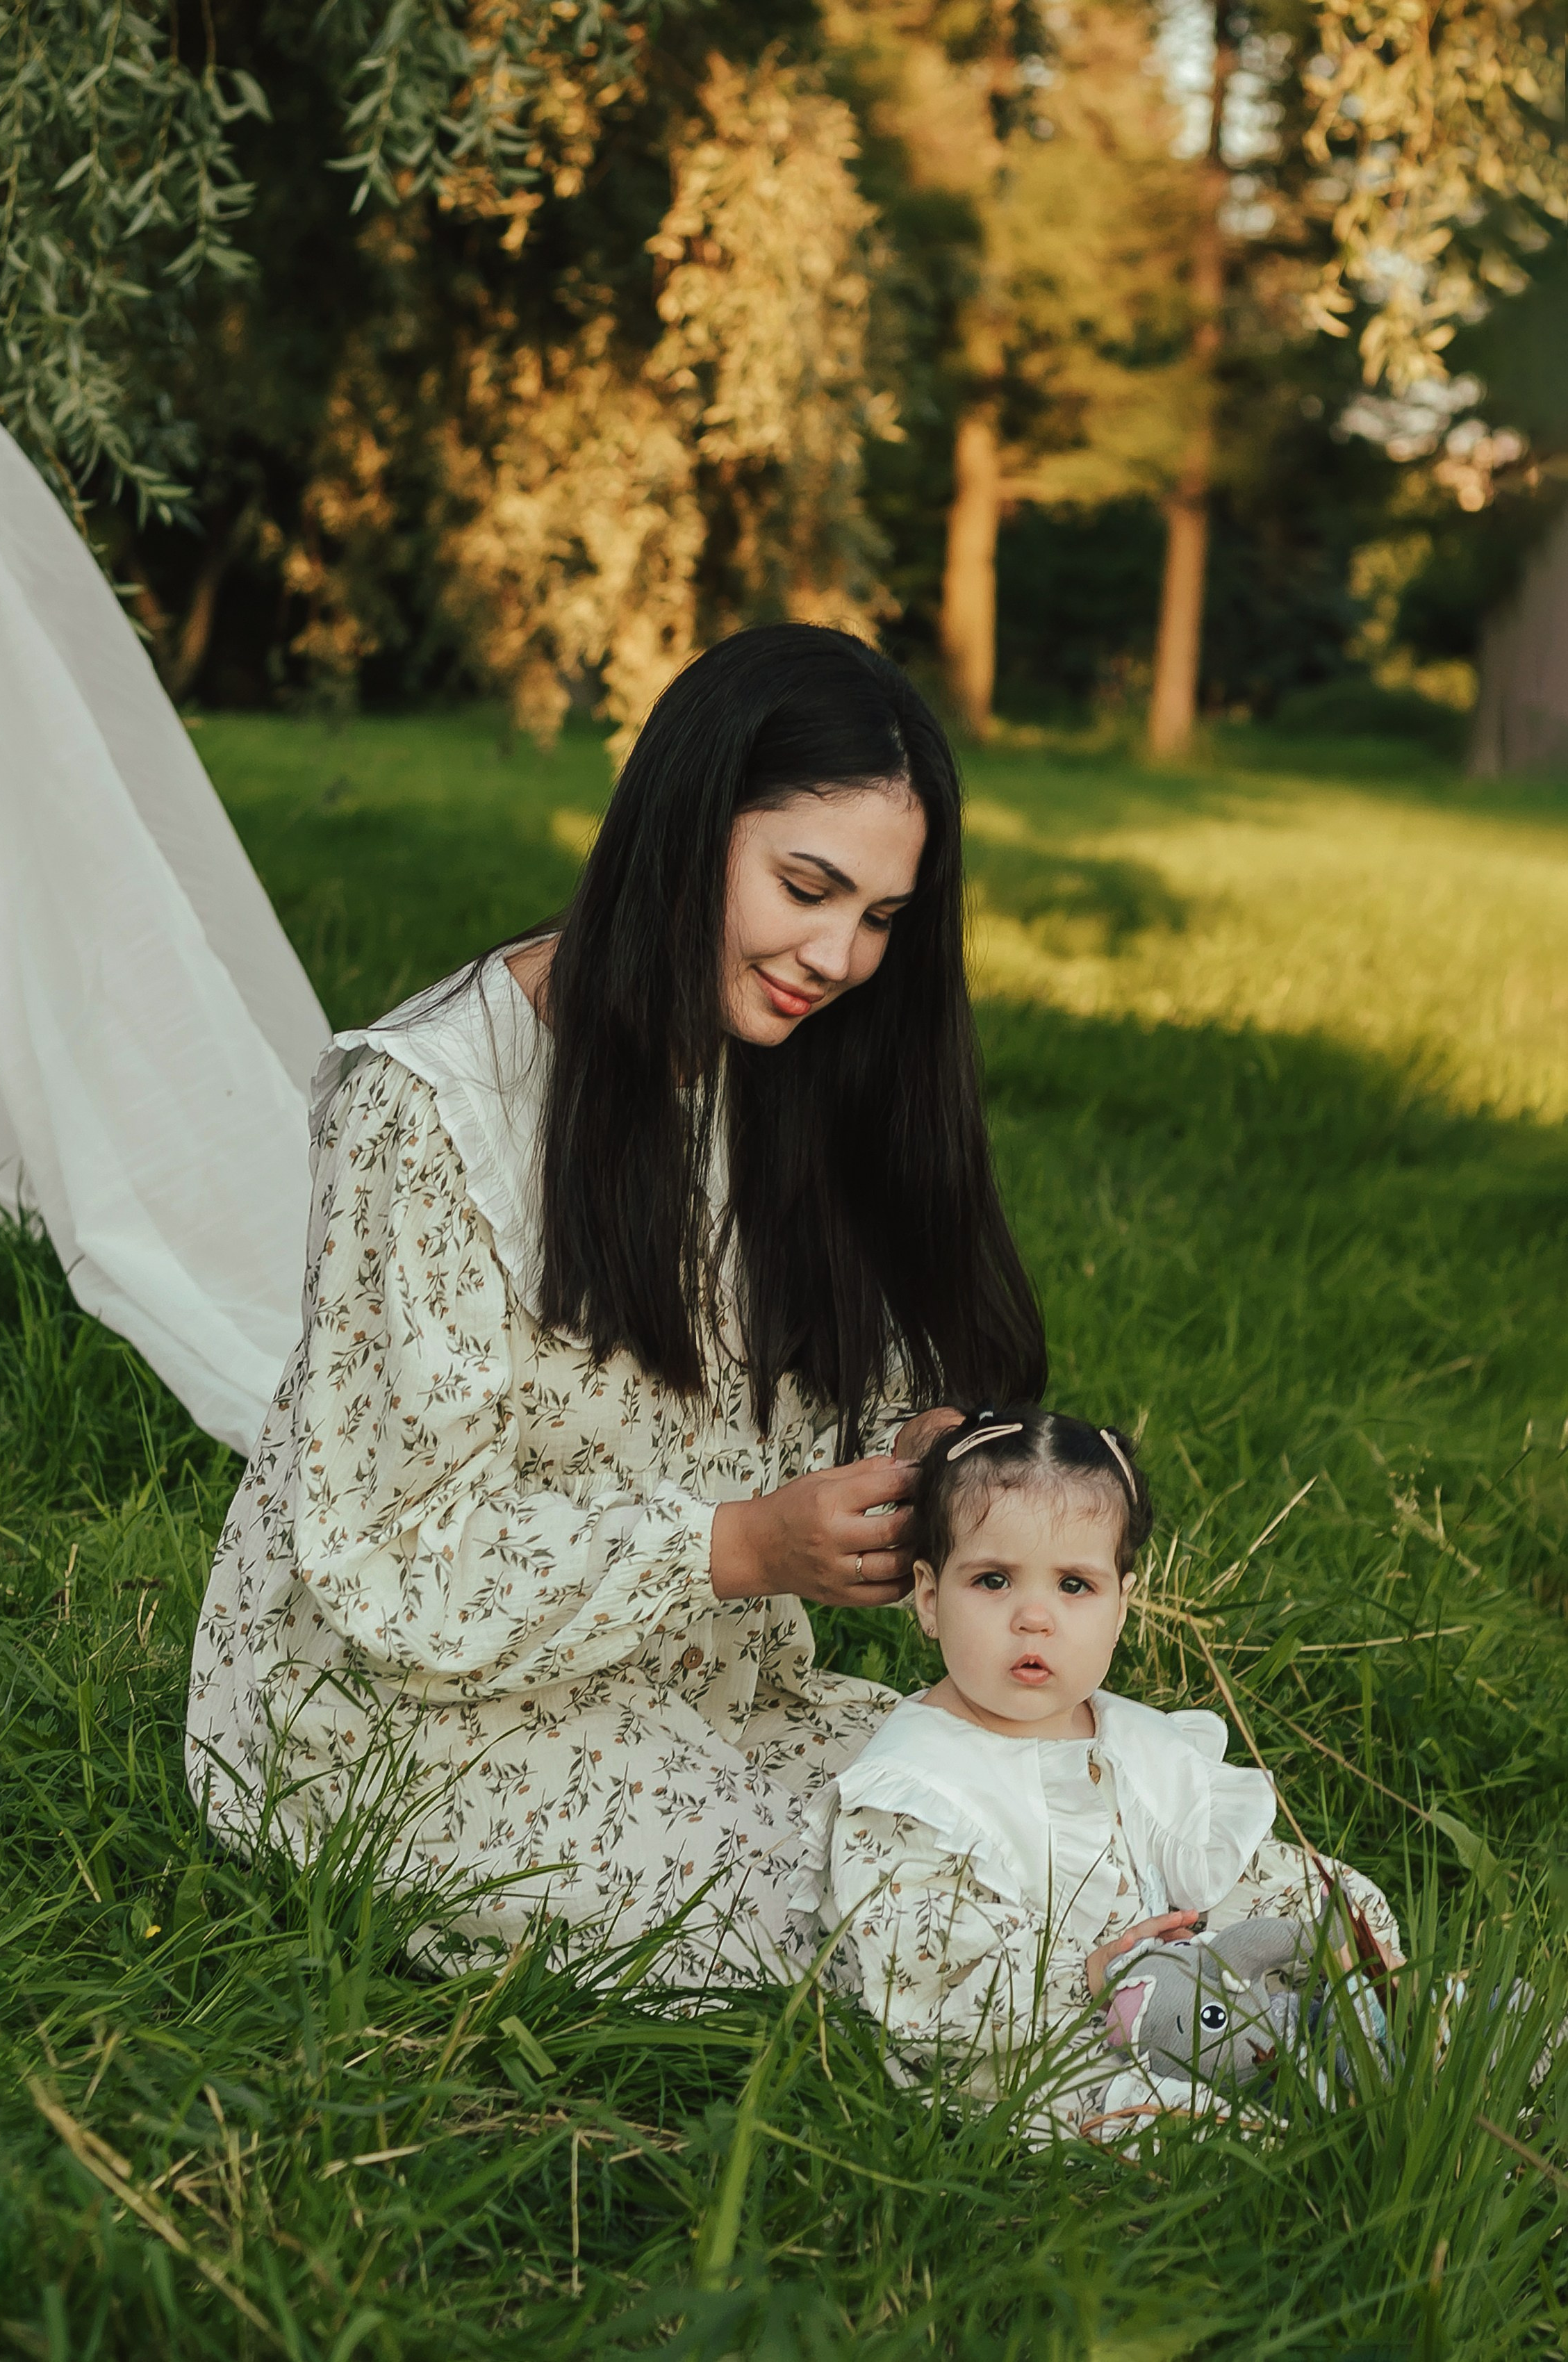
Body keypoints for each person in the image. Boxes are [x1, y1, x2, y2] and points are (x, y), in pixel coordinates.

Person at [185, 625, 1044, 1980]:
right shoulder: (431, 1106)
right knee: (893, 1920)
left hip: (692, 1677)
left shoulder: (783, 1061)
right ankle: (1175, 2073)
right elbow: (401, 1553)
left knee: (1033, 1819)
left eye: (879, 918)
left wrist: (920, 1452)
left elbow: (840, 1376)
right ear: (686, 823)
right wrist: (744, 1548)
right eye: (805, 886)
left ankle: (1345, 2008)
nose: (834, 956)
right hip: (401, 1714)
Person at [793, 1406, 1402, 2135]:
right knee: (1154, 2121)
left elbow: (1218, 1873)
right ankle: (1290, 2122)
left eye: (1072, 1587)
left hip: (1179, 1999)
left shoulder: (1134, 1742)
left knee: (1330, 1939)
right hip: (1028, 2048)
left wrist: (1333, 1923)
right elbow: (919, 1984)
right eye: (992, 1581)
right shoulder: (917, 1787)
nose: (1033, 1617)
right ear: (929, 1598)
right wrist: (1082, 1982)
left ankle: (1382, 2039)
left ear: (1120, 1607)